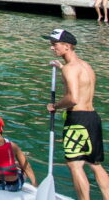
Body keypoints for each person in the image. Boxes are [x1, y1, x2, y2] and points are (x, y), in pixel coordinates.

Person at [45, 28, 109, 200]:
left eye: (54, 44)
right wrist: (61, 67)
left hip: (77, 119)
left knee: (75, 164)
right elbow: (79, 85)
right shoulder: (85, 66)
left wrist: (55, 106)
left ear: (67, 46)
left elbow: (72, 98)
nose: (52, 48)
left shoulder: (70, 69)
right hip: (92, 118)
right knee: (95, 164)